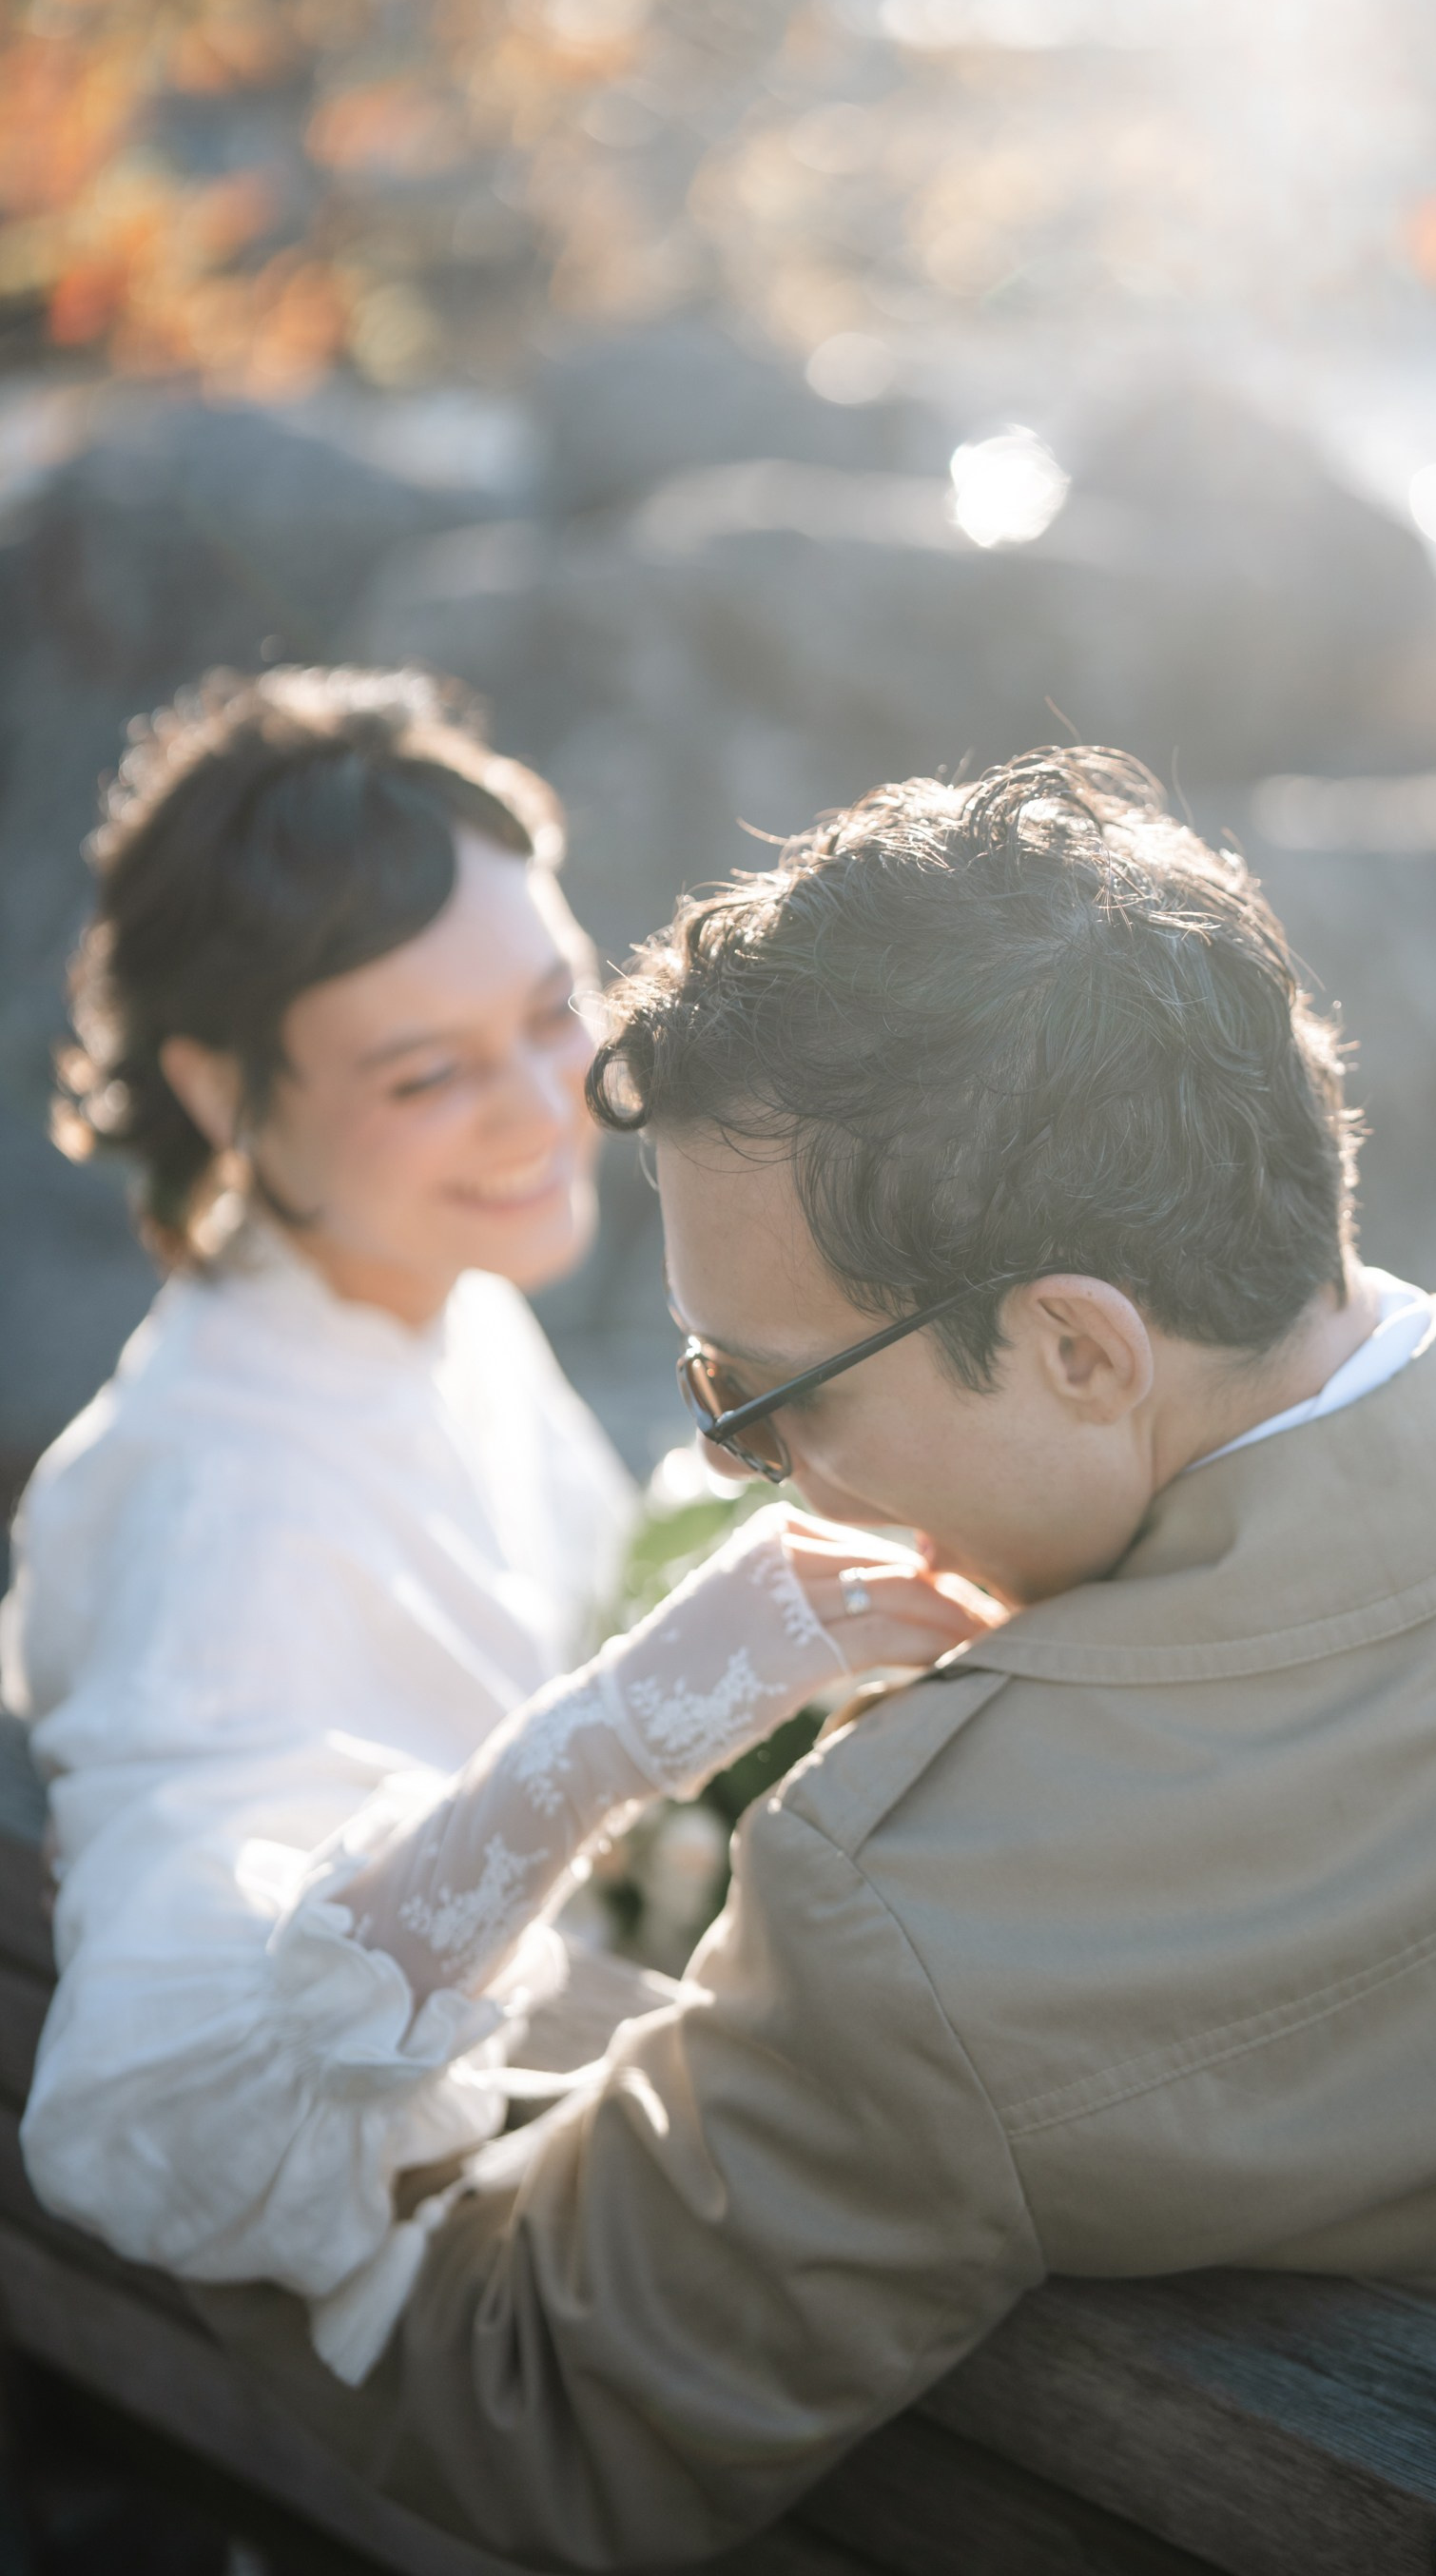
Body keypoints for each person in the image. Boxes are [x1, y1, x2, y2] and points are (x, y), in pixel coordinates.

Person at [159, 752, 1436, 2552]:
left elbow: (513, 2406)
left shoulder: (922, 1905)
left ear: (1082, 1349)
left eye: (760, 1395)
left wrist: (231, 2000)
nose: (741, 1471)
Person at [2, 669, 986, 2387]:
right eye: (424, 1072)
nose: (546, 1111)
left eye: (551, 1012)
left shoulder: (417, 1291)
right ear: (226, 1095)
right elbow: (151, 2111)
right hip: (436, 2365)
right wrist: (633, 1722)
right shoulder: (221, 1505)